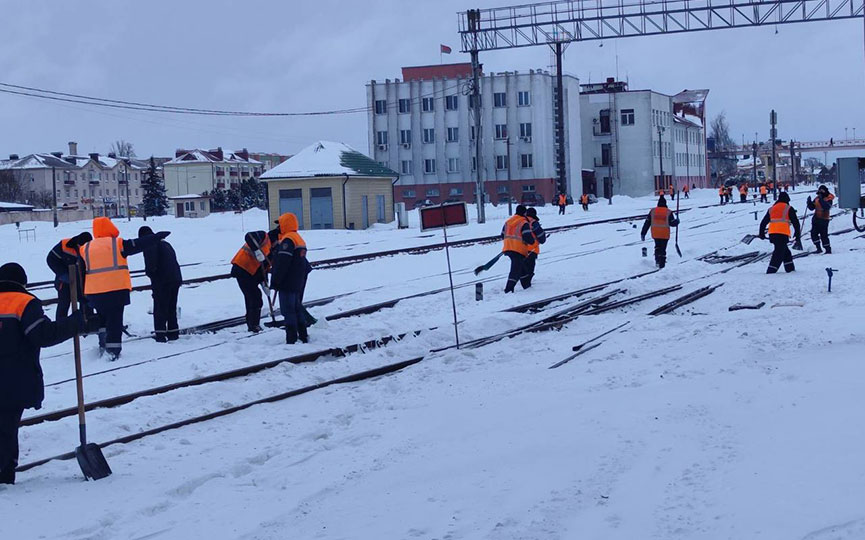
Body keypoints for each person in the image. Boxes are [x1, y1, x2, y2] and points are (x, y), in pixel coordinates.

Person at [0, 262, 83, 485]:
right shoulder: (24, 302)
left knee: (5, 429)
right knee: (5, 429)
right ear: (22, 283)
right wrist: (74, 323)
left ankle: (6, 475)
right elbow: (43, 335)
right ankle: (4, 475)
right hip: (12, 381)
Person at [81, 217, 168, 360]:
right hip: (115, 290)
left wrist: (83, 293)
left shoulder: (86, 247)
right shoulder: (117, 244)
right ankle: (112, 352)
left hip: (94, 292)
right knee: (114, 322)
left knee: (102, 320)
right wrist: (157, 237)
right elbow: (139, 244)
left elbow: (80, 270)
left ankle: (103, 345)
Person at [270, 213, 311, 344]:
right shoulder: (298, 238)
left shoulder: (288, 240)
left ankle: (291, 338)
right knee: (296, 309)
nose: (278, 227)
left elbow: (282, 263)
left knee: (288, 311)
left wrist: (276, 281)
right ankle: (303, 335)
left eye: (280, 224)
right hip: (297, 280)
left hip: (287, 282)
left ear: (285, 224)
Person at [139, 226, 182, 342]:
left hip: (162, 281)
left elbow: (151, 264)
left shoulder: (150, 244)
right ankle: (173, 333)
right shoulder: (166, 244)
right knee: (171, 307)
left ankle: (160, 335)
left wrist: (151, 275)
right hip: (175, 278)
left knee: (160, 308)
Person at [230, 228, 277, 333]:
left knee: (252, 298)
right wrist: (257, 251)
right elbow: (249, 236)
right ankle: (253, 325)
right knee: (255, 298)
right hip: (242, 268)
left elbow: (264, 268)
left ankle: (252, 324)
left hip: (251, 273)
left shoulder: (272, 250)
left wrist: (265, 284)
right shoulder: (263, 237)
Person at [45, 232, 91, 321]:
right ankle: (61, 325)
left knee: (87, 303)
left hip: (84, 282)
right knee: (64, 304)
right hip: (65, 283)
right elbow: (51, 259)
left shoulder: (92, 248)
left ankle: (86, 323)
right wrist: (63, 274)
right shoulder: (64, 245)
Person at [759, 191, 802, 274]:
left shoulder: (772, 208)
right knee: (778, 252)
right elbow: (796, 222)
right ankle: (771, 271)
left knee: (785, 251)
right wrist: (797, 234)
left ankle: (790, 269)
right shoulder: (788, 208)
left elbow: (763, 222)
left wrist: (761, 234)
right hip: (783, 233)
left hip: (772, 233)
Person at [501, 205, 535, 293]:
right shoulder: (523, 222)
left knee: (522, 267)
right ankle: (508, 289)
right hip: (518, 249)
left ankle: (526, 285)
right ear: (524, 213)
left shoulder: (508, 221)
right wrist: (532, 241)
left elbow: (502, 235)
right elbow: (528, 237)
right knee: (515, 270)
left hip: (508, 247)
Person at [641, 196, 679, 269]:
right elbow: (672, 223)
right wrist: (677, 222)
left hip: (655, 234)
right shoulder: (668, 212)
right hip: (664, 234)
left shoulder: (653, 211)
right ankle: (662, 264)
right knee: (663, 249)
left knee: (657, 247)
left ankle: (657, 261)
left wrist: (643, 233)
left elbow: (647, 223)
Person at [521, 207, 547, 289]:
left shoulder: (521, 221)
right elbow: (541, 237)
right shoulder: (533, 223)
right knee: (530, 267)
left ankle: (522, 281)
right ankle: (527, 285)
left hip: (519, 248)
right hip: (531, 249)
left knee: (522, 267)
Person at [806, 184, 835, 254]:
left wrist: (821, 199)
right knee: (813, 234)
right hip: (816, 218)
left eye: (822, 191)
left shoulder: (828, 198)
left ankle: (828, 249)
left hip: (824, 219)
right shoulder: (817, 198)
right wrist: (809, 203)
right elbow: (812, 208)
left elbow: (826, 207)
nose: (820, 192)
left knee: (824, 235)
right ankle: (818, 248)